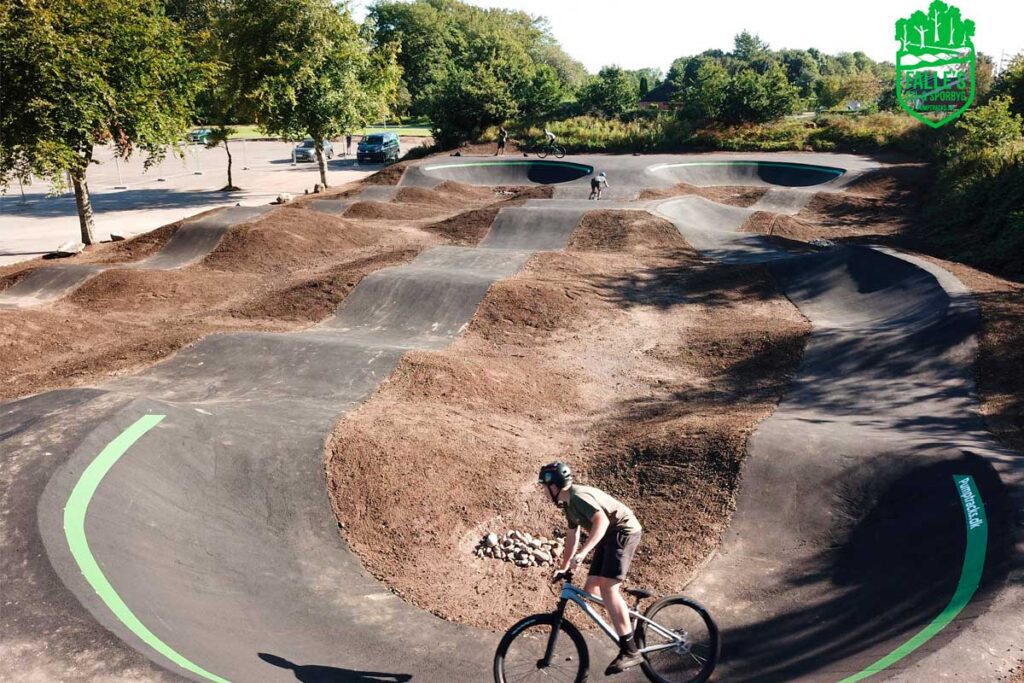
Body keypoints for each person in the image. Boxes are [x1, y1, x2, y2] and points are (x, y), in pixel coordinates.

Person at [538, 462, 644, 675]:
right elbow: (572, 536)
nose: (543, 491)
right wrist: (564, 567)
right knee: (591, 589)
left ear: (555, 486)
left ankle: (631, 650)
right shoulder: (568, 505)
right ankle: (625, 615)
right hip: (609, 537)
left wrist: (583, 553)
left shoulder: (578, 496)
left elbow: (602, 522)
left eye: (544, 486)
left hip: (623, 531)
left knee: (608, 588)